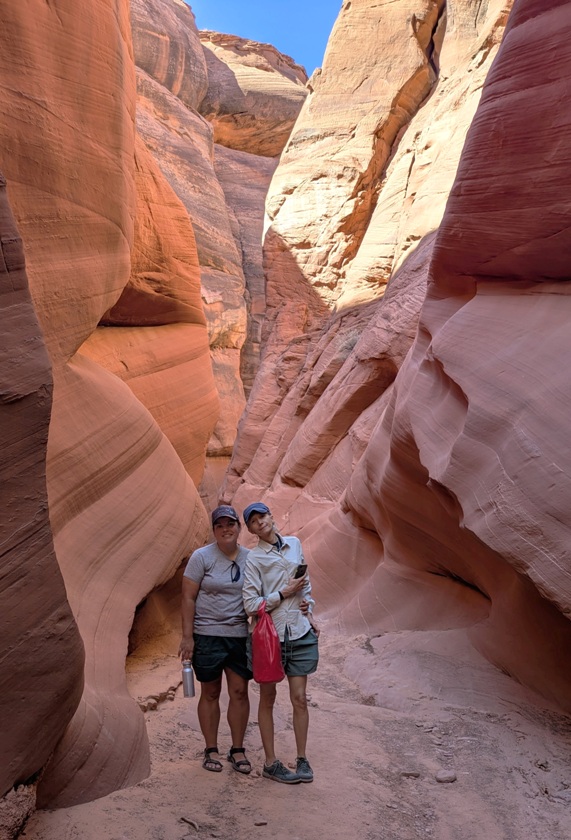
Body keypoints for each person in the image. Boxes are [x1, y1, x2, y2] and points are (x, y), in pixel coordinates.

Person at [242, 502, 319, 785]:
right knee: (268, 698)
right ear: (250, 529)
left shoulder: (295, 544)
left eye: (263, 516)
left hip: (298, 633)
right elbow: (250, 604)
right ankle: (271, 763)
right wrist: (283, 593)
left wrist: (310, 612)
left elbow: (306, 584)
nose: (260, 522)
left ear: (271, 517)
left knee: (299, 698)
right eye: (254, 521)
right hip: (270, 637)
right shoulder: (254, 559)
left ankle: (302, 758)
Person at [179, 505, 252, 774]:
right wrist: (188, 637)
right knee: (210, 692)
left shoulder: (250, 558)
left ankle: (237, 749)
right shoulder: (201, 557)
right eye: (220, 525)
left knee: (239, 692)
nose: (226, 529)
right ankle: (211, 748)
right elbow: (188, 597)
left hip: (238, 635)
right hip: (207, 634)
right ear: (213, 530)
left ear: (238, 527)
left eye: (230, 524)